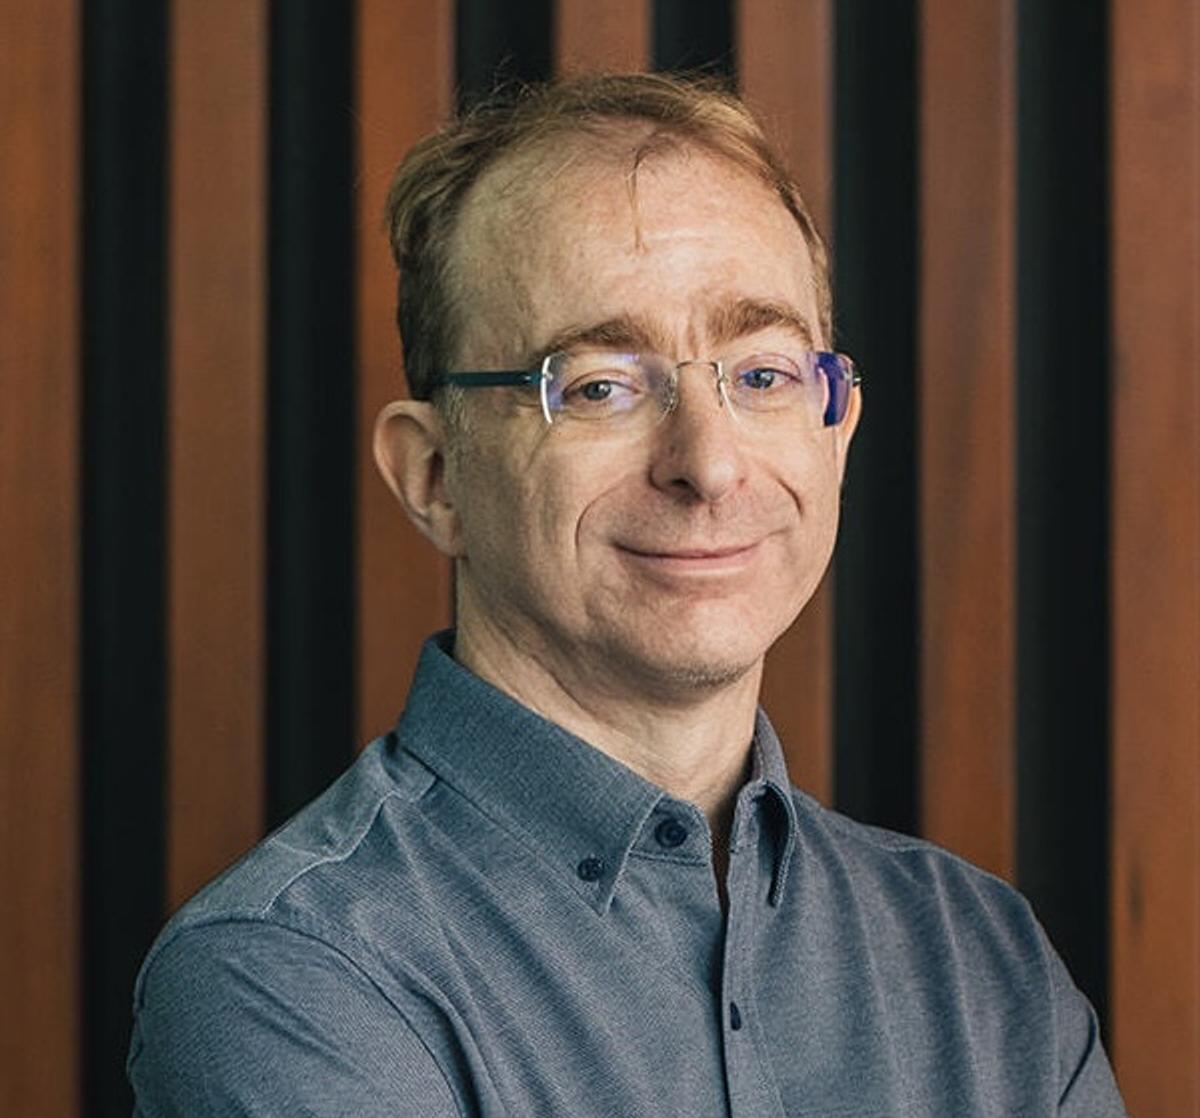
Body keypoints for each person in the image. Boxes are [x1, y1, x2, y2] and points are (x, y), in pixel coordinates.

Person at [128, 73, 1126, 1116]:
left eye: (763, 375)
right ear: (435, 477)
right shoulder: (290, 974)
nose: (710, 463)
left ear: (837, 436)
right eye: (600, 384)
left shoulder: (986, 964)